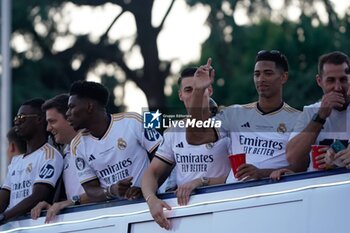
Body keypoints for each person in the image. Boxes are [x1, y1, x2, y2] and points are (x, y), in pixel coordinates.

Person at [186, 51, 300, 182]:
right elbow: (195, 137)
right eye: (257, 74)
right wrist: (198, 90)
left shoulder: (298, 118)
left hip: (275, 196)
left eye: (268, 73)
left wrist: (262, 173)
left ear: (283, 77)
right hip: (235, 197)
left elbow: (300, 166)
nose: (261, 79)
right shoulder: (234, 113)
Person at [141, 68, 230, 230]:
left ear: (209, 90)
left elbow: (237, 176)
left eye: (199, 89)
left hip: (223, 208)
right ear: (180, 95)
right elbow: (152, 173)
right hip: (185, 215)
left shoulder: (227, 123)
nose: (194, 94)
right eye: (189, 90)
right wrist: (151, 200)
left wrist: (201, 181)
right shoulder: (174, 131)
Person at [67, 81, 162, 202]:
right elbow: (91, 190)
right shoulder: (77, 145)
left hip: (149, 203)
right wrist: (112, 190)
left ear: (89, 107)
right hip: (114, 215)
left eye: (71, 107)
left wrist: (146, 188)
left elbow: (163, 159)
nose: (67, 113)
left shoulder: (133, 121)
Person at [0, 99, 63, 225]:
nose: (17, 123)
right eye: (16, 118)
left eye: (22, 118)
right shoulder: (16, 161)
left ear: (39, 119)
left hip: (34, 226)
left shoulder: (49, 155)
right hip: (12, 227)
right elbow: (5, 196)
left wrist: (4, 217)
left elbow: (38, 196)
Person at [30, 94, 90, 223]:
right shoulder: (66, 153)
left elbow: (109, 190)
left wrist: (71, 201)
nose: (48, 128)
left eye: (52, 121)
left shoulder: (94, 144)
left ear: (69, 117)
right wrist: (52, 206)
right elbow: (74, 198)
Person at [286, 51, 350, 171]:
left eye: (343, 80)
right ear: (319, 81)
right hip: (318, 184)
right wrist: (320, 116)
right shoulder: (310, 111)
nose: (338, 87)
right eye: (331, 80)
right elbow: (292, 156)